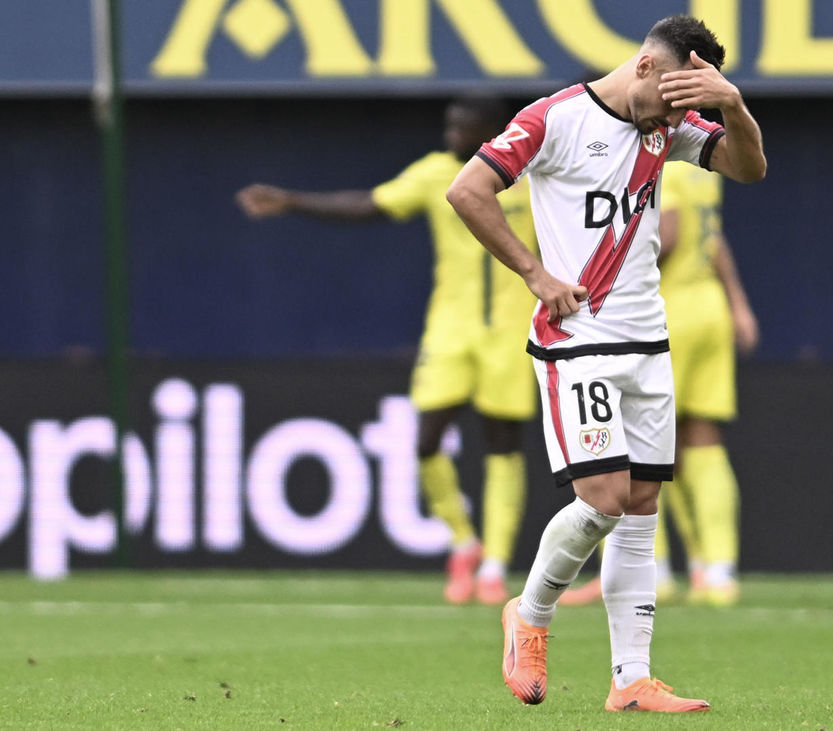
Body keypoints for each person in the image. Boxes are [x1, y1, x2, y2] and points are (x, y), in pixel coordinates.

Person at [446, 14, 765, 713]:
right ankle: (528, 615)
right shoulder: (554, 119)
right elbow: (467, 191)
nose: (676, 119)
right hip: (576, 338)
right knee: (603, 502)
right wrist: (533, 272)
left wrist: (731, 105)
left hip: (648, 342)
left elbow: (748, 167)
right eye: (673, 100)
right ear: (648, 67)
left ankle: (632, 677)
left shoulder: (667, 125)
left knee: (642, 508)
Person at [235, 97, 538, 606]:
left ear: (494, 128)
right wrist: (290, 200)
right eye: (449, 123)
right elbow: (367, 205)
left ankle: (494, 566)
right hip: (451, 328)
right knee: (425, 441)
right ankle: (463, 540)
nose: (452, 133)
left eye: (464, 125)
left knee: (502, 445)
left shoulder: (532, 174)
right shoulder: (434, 173)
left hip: (511, 330)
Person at [558, 161, 759, 608]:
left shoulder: (654, 161)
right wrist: (738, 303)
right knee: (701, 441)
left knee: (636, 444)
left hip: (665, 312)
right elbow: (710, 239)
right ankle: (718, 571)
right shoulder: (699, 167)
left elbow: (665, 236)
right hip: (706, 305)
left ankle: (652, 571)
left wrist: (598, 282)